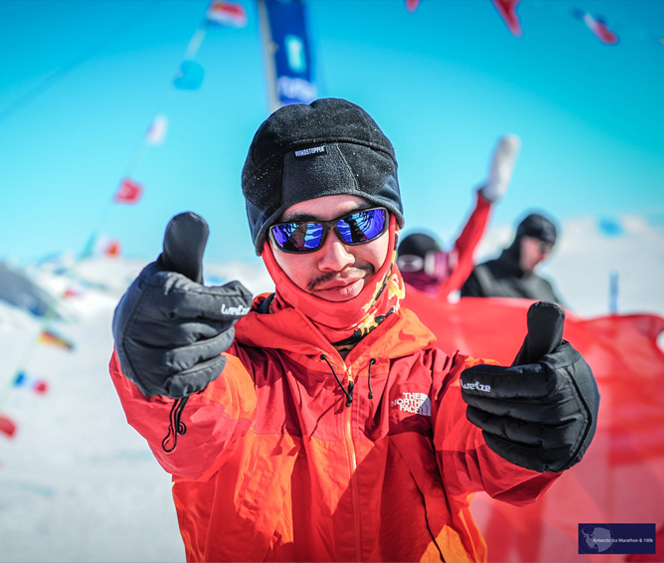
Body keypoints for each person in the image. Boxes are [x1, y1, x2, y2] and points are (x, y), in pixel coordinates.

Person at [109, 99, 597, 562]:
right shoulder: (236, 369)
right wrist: (158, 361)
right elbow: (197, 423)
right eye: (298, 232)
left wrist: (540, 422)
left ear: (392, 226)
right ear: (267, 250)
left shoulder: (436, 380)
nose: (336, 257)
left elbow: (482, 446)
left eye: (359, 222)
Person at [397, 135, 520, 300]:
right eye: (441, 262)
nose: (446, 267)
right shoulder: (441, 290)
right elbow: (466, 248)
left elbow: (464, 249)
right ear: (431, 265)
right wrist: (487, 200)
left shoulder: (387, 297)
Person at [461, 212, 563, 303]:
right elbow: (467, 320)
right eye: (543, 247)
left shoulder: (545, 288)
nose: (544, 257)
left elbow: (571, 320)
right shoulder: (481, 277)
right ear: (522, 239)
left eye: (551, 250)